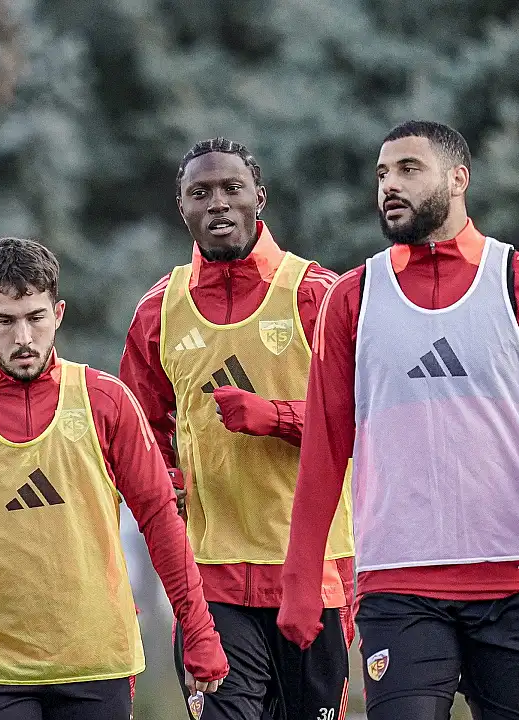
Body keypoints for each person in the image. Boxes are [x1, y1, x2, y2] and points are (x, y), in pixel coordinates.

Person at [279, 120, 519, 720]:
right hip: (397, 584)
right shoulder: (352, 299)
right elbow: (324, 448)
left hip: (516, 578)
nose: (389, 185)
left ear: (458, 179)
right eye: (381, 174)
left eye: (408, 169)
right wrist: (301, 577)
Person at [0, 237, 228, 720]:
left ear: (58, 313)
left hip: (97, 661)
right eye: (5, 321)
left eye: (36, 317)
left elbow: (160, 520)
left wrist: (198, 629)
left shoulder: (105, 400)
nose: (23, 337)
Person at [120, 138, 354, 720]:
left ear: (260, 198)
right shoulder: (158, 311)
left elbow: (363, 416)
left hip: (313, 571)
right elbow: (136, 429)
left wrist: (275, 417)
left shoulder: (317, 295)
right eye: (200, 192)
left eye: (232, 188)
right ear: (182, 208)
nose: (218, 202)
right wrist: (165, 477)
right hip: (210, 577)